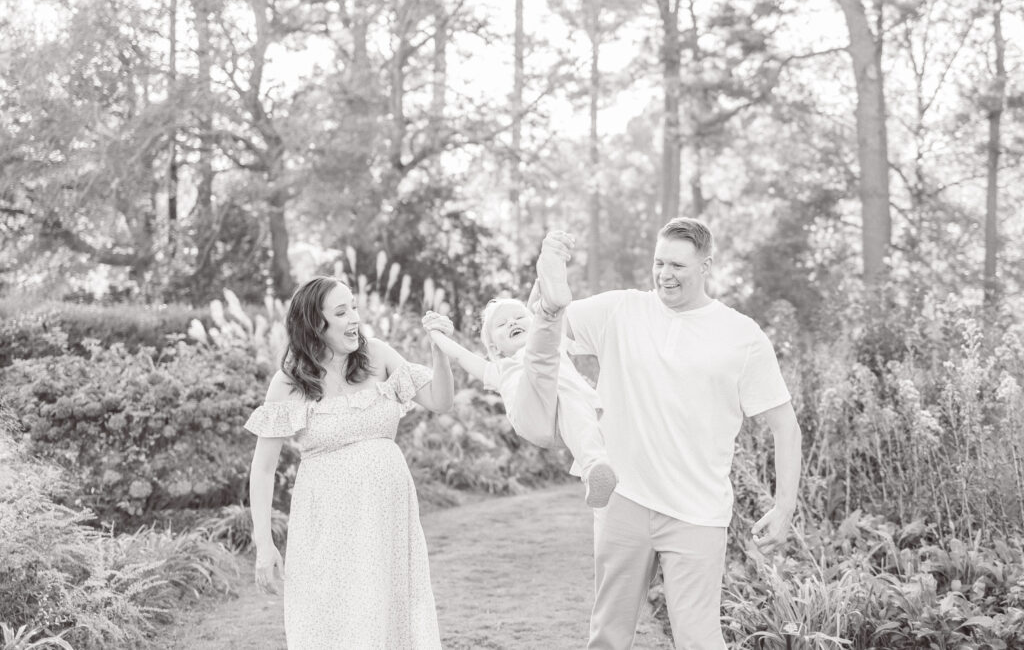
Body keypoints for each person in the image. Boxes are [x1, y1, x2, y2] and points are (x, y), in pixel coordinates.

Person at [552, 217, 802, 650]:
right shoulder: (620, 310)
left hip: (697, 512)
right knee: (608, 634)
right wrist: (548, 267)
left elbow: (786, 427)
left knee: (699, 639)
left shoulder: (742, 336)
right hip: (623, 501)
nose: (664, 275)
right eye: (659, 263)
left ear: (706, 266)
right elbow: (546, 326)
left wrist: (784, 507)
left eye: (678, 266)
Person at [245, 276, 454, 649]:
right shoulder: (289, 382)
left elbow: (439, 400)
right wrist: (264, 542)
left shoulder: (378, 356)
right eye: (341, 311)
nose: (354, 317)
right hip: (326, 526)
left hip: (388, 522)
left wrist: (440, 350)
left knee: (389, 614)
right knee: (333, 617)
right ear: (314, 322)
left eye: (354, 307)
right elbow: (262, 469)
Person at [424, 231, 618, 508]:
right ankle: (549, 305)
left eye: (518, 318)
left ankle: (594, 468)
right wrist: (437, 336)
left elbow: (542, 332)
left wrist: (545, 278)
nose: (512, 323)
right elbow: (461, 356)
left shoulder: (552, 343)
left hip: (564, 410)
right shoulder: (501, 367)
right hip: (532, 416)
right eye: (501, 325)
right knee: (541, 357)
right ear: (495, 347)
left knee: (573, 401)